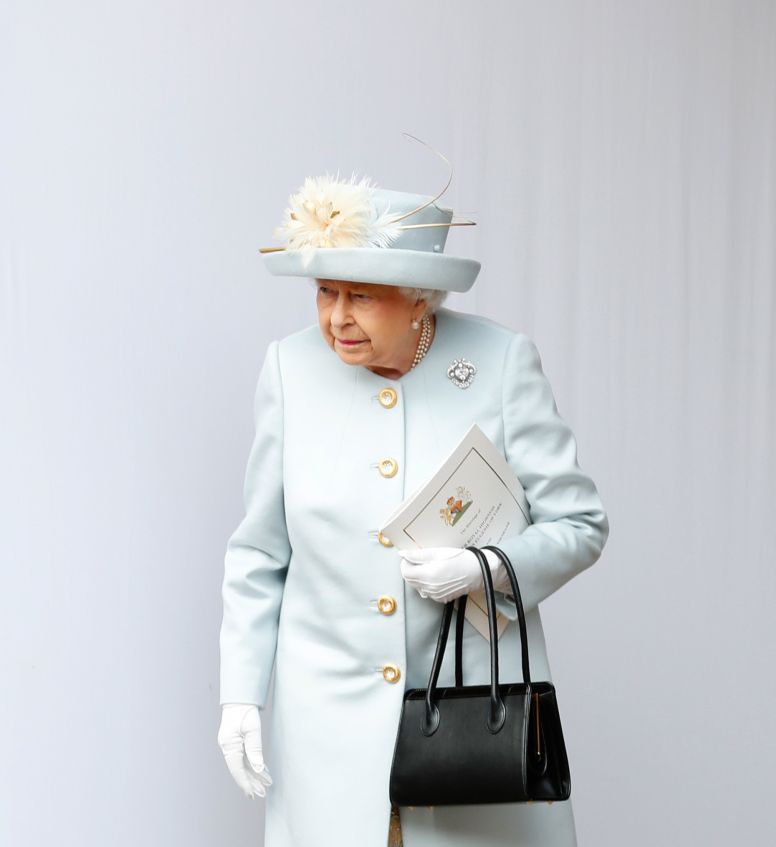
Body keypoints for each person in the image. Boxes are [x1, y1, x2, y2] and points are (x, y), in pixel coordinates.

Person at [216, 174, 607, 846]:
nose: (337, 318)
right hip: (327, 730)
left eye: (362, 296)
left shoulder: (500, 362)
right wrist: (239, 693)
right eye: (325, 292)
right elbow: (260, 552)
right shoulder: (289, 369)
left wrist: (487, 567)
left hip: (466, 721)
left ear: (422, 299)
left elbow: (580, 524)